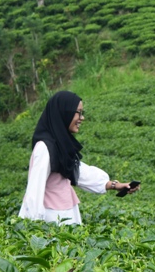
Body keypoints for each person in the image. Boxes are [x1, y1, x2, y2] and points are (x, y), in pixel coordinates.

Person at [18, 91, 139, 225]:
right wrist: (33, 227)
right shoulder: (44, 147)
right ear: (64, 113)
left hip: (66, 214)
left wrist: (114, 185)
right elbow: (34, 189)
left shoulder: (59, 144)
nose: (82, 118)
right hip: (51, 218)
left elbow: (77, 171)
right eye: (78, 113)